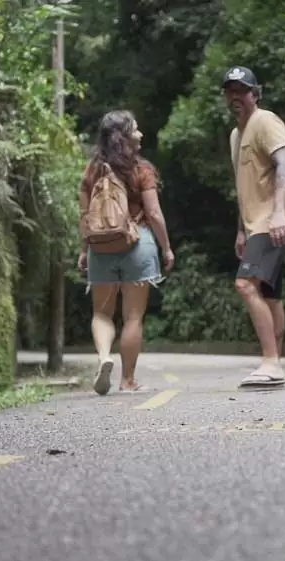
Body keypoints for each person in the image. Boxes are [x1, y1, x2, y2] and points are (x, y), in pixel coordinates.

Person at [77, 110, 175, 395]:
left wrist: (84, 250)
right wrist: (166, 247)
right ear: (124, 136)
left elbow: (85, 216)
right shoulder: (141, 169)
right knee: (133, 317)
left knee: (102, 313)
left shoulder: (91, 171)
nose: (141, 134)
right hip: (137, 243)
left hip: (100, 246)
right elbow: (154, 213)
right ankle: (127, 380)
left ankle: (105, 356)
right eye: (135, 129)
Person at [221, 66, 285, 387]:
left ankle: (270, 362)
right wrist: (241, 228)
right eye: (230, 91)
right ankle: (276, 363)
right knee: (270, 295)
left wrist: (279, 214)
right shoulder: (235, 135)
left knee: (245, 285)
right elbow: (244, 186)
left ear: (255, 94)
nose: (235, 97)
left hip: (273, 221)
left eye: (241, 90)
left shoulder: (266, 121)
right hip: (255, 225)